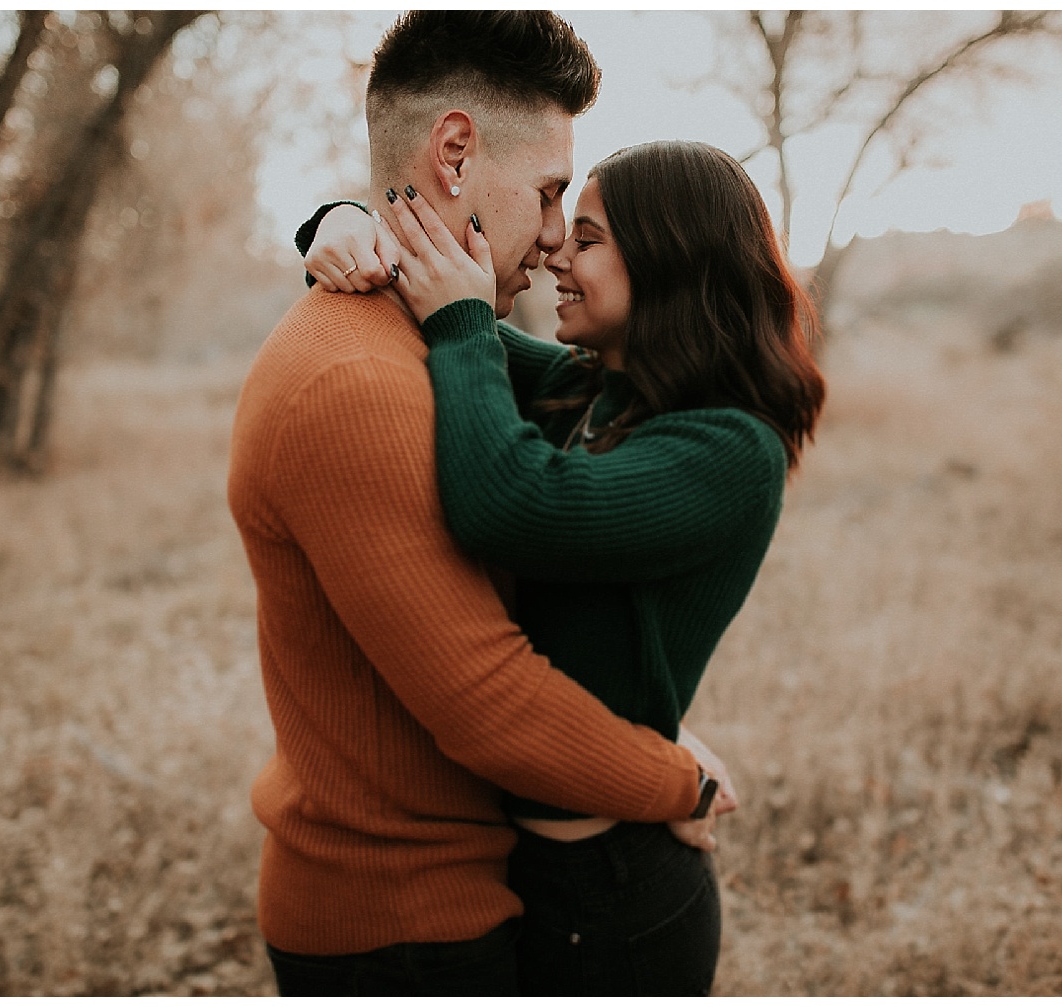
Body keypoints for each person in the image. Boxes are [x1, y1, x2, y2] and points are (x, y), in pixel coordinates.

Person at [228, 13, 729, 997]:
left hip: (464, 894)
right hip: (401, 930)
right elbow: (487, 700)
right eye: (549, 193)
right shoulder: (357, 384)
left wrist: (339, 216)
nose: (553, 235)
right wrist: (682, 779)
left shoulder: (429, 345)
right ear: (454, 151)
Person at [300, 138, 826, 994]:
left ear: (669, 256)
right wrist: (340, 223)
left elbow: (509, 504)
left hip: (619, 894)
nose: (555, 256)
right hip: (528, 872)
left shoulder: (731, 448)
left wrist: (468, 322)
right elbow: (424, 300)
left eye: (587, 238)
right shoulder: (592, 388)